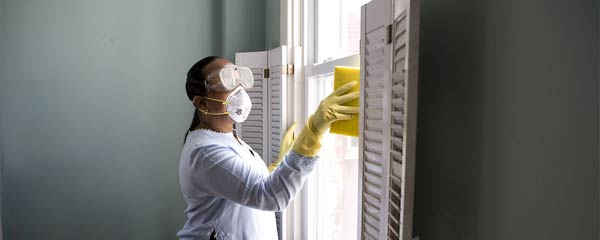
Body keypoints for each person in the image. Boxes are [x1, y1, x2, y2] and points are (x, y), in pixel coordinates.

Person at [177, 56, 359, 240]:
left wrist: (279, 165)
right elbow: (271, 196)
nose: (239, 90)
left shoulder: (226, 137)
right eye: (227, 81)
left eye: (238, 78)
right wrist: (312, 132)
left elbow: (241, 183)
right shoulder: (204, 152)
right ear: (202, 103)